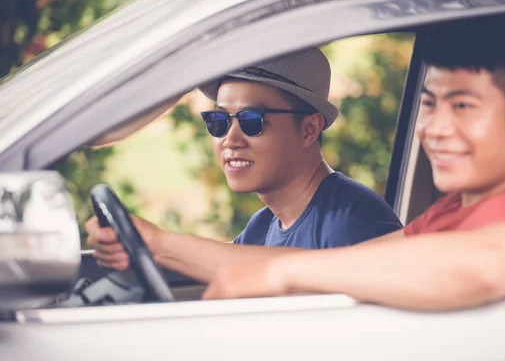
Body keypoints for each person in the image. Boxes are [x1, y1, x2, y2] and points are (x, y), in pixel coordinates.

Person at [201, 20, 505, 310]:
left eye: (462, 106)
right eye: (428, 105)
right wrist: (161, 243)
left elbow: (492, 265)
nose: (433, 129)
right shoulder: (454, 209)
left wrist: (280, 274)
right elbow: (365, 259)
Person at [85, 47, 402, 283]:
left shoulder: (352, 225)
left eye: (252, 121)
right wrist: (133, 250)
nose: (230, 139)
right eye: (218, 120)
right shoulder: (263, 226)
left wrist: (157, 244)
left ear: (309, 129)